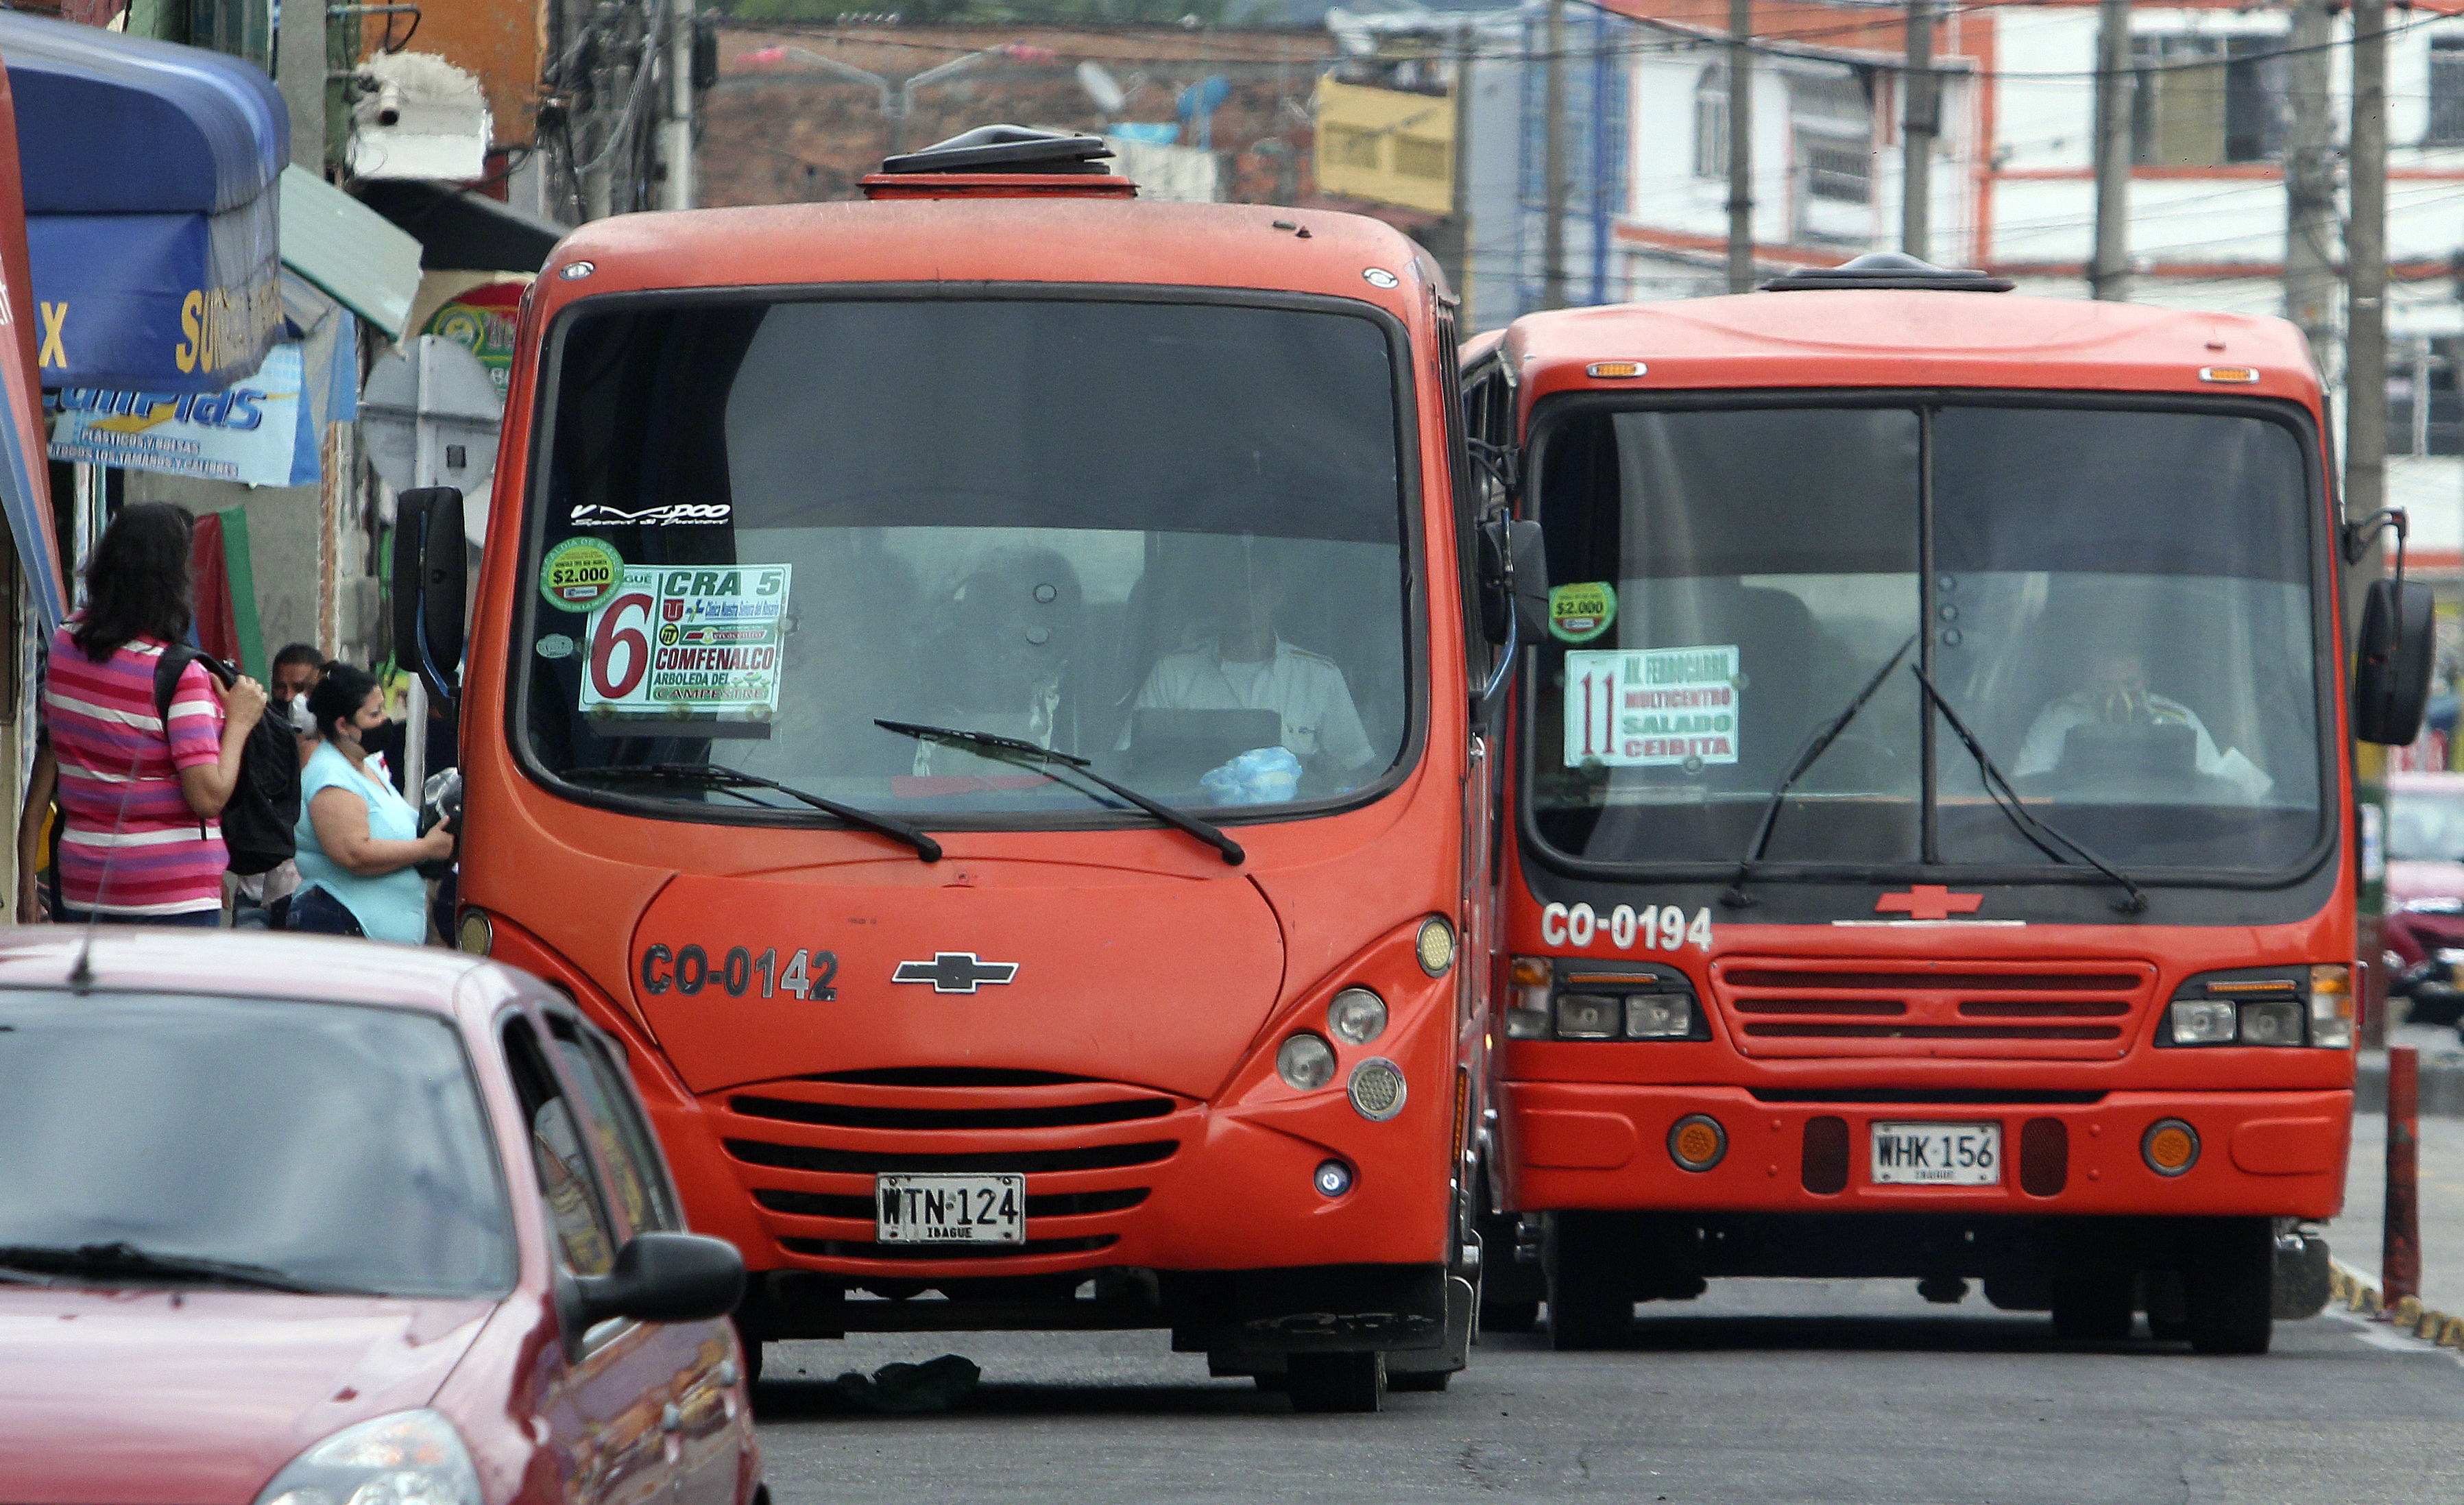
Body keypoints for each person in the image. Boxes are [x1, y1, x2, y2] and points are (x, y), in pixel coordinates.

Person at [14, 501, 267, 926]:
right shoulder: (178, 673)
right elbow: (207, 796)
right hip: (171, 898)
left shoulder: (65, 645)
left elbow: (47, 767)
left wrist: (25, 889)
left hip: (84, 885)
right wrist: (239, 720)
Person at [1128, 568, 1375, 783]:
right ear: (1215, 597)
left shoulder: (1320, 677)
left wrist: (1328, 780)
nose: (1240, 600)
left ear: (1276, 594)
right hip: (1188, 825)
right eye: (1229, 588)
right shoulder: (1172, 674)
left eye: (1252, 586)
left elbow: (1357, 772)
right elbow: (1129, 763)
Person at [288, 664, 454, 942]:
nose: (386, 719)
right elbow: (354, 854)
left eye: (383, 709)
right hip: (343, 931)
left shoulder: (365, 764)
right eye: (375, 713)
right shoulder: (330, 775)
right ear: (343, 725)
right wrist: (427, 848)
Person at [2012, 651, 2270, 799]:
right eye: (2106, 685)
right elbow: (2030, 786)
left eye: (2130, 683)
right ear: (2090, 683)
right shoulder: (2060, 716)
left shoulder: (2178, 718)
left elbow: (2219, 786)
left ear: (2146, 680)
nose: (2119, 695)